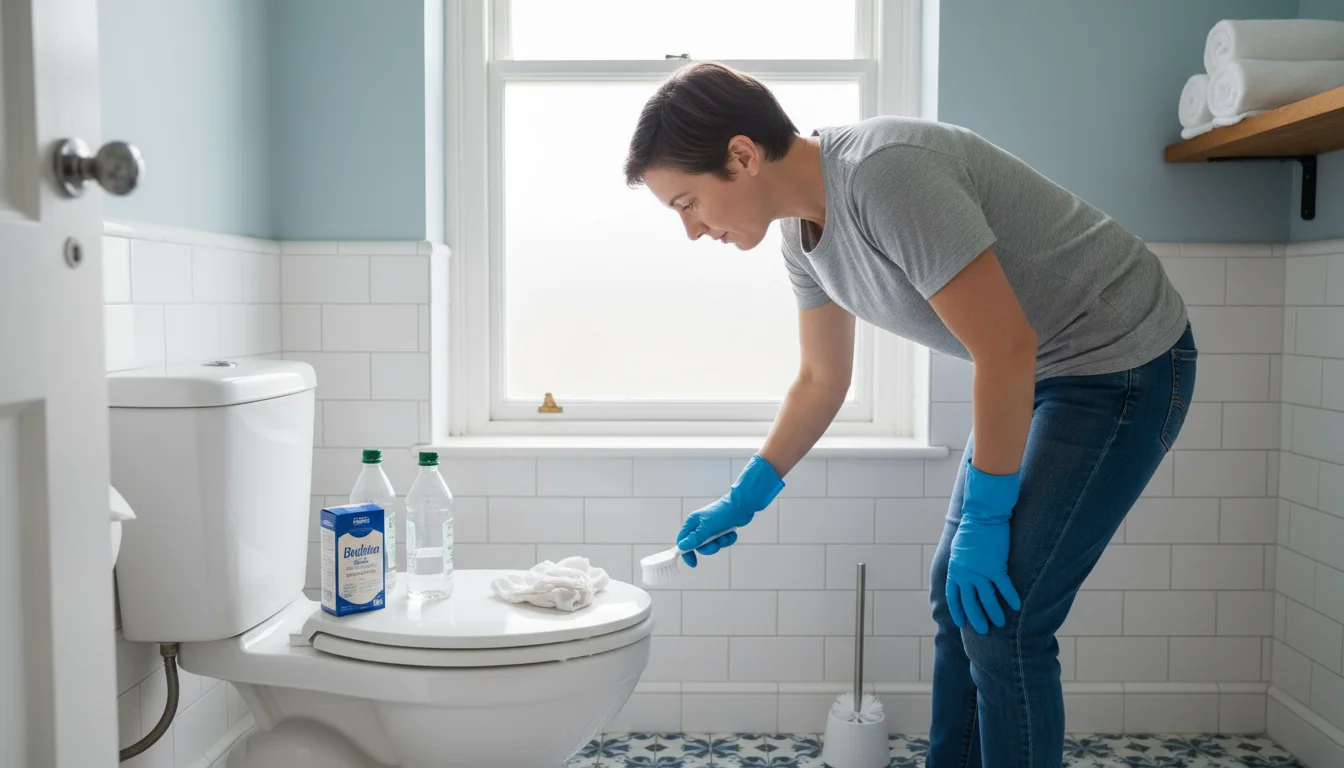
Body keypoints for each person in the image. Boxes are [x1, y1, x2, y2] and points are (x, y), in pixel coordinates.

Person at [623, 62, 1196, 768]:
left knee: (1005, 620)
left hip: (1122, 362)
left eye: (686, 203)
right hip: (1045, 368)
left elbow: (1005, 346)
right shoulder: (801, 234)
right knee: (958, 598)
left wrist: (987, 519)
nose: (691, 230)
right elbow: (821, 378)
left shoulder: (884, 174)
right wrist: (746, 496)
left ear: (740, 156)